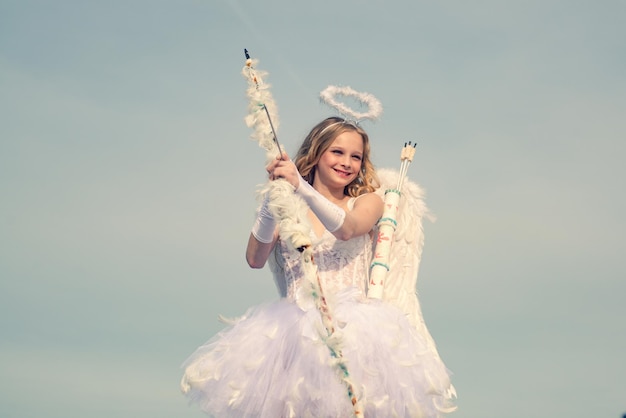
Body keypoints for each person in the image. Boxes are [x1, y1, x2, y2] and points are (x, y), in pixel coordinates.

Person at [180, 116, 456, 418]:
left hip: (355, 335)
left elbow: (347, 229)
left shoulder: (369, 202)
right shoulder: (291, 209)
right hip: (292, 337)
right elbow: (255, 259)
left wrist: (300, 186)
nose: (347, 163)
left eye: (356, 156)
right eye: (337, 152)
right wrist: (274, 199)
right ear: (317, 152)